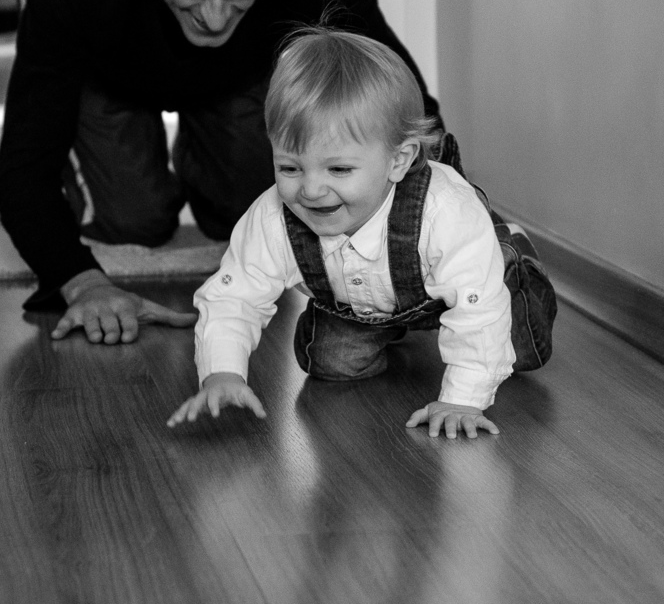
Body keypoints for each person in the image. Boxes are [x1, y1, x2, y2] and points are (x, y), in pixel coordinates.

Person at [0, 0, 439, 346]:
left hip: (239, 63)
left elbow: (403, 108)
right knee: (136, 220)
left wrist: (448, 224)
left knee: (253, 209)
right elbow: (25, 159)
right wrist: (83, 282)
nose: (213, 15)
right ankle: (129, 138)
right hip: (105, 46)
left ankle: (204, 140)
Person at [167, 28, 555, 438]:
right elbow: (233, 297)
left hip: (476, 281)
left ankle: (515, 255)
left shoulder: (445, 210)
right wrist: (222, 374)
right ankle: (392, 325)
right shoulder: (272, 217)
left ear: (398, 160)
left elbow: (479, 311)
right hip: (362, 303)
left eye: (338, 169)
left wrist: (463, 399)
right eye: (290, 167)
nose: (311, 190)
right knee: (329, 363)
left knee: (522, 347)